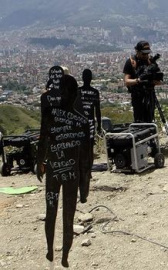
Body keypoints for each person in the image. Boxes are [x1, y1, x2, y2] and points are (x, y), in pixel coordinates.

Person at [36, 74, 89, 268]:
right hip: (71, 174)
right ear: (75, 94)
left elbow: (43, 141)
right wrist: (84, 189)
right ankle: (64, 255)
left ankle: (51, 250)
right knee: (68, 217)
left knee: (51, 212)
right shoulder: (81, 122)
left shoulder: (50, 115)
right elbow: (85, 161)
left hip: (54, 170)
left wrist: (39, 162)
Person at [76, 68, 102, 203]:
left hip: (79, 125)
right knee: (90, 148)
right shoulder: (94, 92)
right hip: (90, 124)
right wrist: (100, 126)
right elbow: (97, 111)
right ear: (91, 78)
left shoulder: (78, 92)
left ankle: (81, 170)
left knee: (80, 149)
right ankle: (89, 170)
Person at [123, 40, 162, 123]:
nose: (146, 55)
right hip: (138, 96)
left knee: (150, 120)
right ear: (137, 51)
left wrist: (152, 80)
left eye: (147, 53)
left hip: (150, 95)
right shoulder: (131, 62)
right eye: (144, 53)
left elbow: (159, 81)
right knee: (139, 121)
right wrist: (139, 80)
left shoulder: (150, 62)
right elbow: (126, 81)